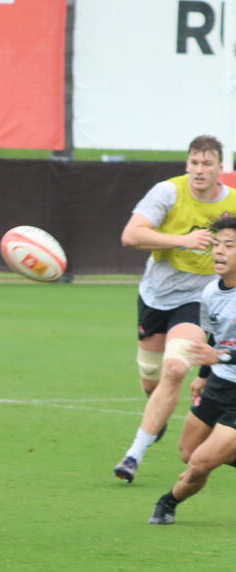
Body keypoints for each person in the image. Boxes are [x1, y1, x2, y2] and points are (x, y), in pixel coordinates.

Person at [113, 135, 236, 483]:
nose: (199, 170)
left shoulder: (232, 203)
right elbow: (130, 236)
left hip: (197, 299)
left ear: (220, 168)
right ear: (187, 165)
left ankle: (133, 455)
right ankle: (156, 414)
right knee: (151, 379)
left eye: (207, 164)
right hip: (156, 296)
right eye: (194, 163)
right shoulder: (167, 192)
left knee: (175, 369)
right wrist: (183, 240)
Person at [149, 215, 236, 523]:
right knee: (188, 452)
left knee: (200, 463)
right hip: (219, 385)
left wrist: (220, 358)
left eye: (229, 245)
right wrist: (203, 376)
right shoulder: (211, 292)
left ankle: (167, 503)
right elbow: (215, 337)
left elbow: (218, 352)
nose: (219, 251)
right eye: (216, 244)